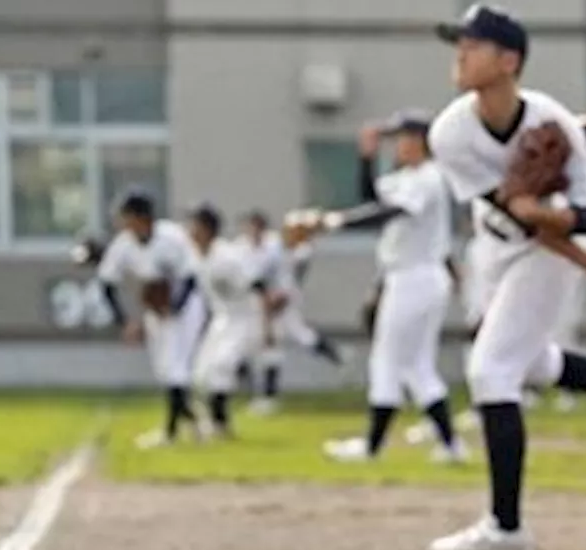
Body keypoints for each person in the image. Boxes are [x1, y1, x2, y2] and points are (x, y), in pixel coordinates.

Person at [425, 2, 586, 550]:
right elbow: (512, 216)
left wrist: (556, 225)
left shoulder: (556, 123)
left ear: (508, 60)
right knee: (533, 362)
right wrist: (576, 247)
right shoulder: (450, 133)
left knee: (491, 371)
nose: (460, 53)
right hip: (500, 246)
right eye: (459, 43)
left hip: (550, 252)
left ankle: (506, 528)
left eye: (472, 44)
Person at [321, 110, 466, 464]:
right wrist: (366, 158)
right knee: (417, 366)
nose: (397, 144)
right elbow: (371, 197)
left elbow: (388, 214)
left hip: (415, 276)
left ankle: (373, 447)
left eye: (403, 137)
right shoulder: (407, 177)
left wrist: (335, 222)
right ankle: (451, 446)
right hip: (413, 276)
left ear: (420, 142)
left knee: (387, 360)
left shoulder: (428, 178)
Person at [95, 188, 209, 449]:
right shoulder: (123, 244)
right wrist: (124, 321)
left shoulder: (173, 237)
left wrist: (176, 307)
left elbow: (191, 275)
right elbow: (107, 284)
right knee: (164, 369)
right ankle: (195, 421)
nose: (123, 223)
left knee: (176, 366)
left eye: (127, 216)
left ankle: (170, 434)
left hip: (187, 305)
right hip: (157, 308)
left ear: (142, 216)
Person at [238, 210, 345, 416]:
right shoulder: (243, 249)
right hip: (257, 303)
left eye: (257, 228)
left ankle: (268, 397)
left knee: (286, 341)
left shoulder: (274, 246)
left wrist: (277, 299)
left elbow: (288, 272)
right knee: (252, 346)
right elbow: (253, 282)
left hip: (280, 302)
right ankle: (255, 392)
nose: (253, 233)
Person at [189, 203, 279, 440]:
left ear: (208, 229)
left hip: (246, 317)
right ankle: (205, 423)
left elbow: (258, 286)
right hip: (223, 317)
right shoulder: (198, 255)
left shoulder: (227, 257)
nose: (191, 232)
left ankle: (220, 425)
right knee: (201, 371)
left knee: (222, 366)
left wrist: (267, 326)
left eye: (195, 226)